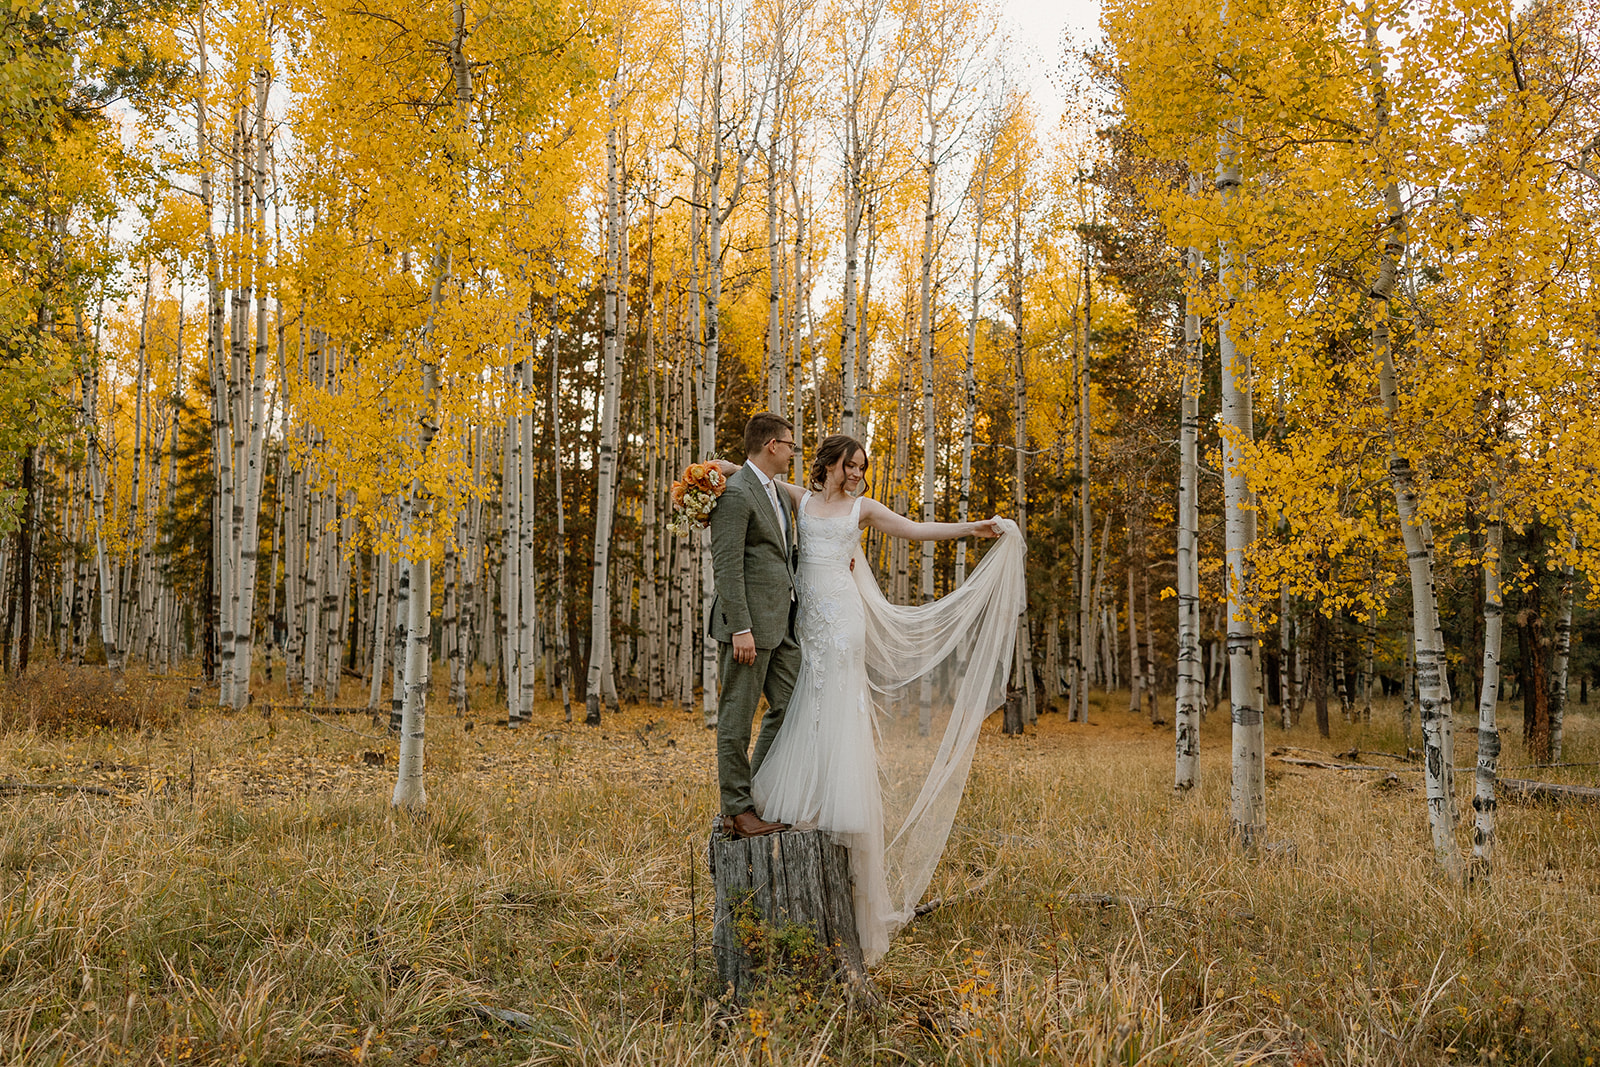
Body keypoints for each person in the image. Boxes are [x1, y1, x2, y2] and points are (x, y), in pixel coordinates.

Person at [738, 434, 1027, 964]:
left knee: (834, 699)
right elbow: (761, 479)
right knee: (808, 698)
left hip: (844, 619)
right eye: (850, 466)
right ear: (830, 465)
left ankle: (828, 803)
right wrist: (717, 466)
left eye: (861, 468)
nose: (856, 475)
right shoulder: (802, 499)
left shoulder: (863, 509)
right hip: (808, 618)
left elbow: (914, 531)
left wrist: (975, 528)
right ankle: (809, 796)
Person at [706, 412, 802, 839]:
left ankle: (756, 790)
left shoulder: (776, 494)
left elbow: (779, 556)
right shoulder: (736, 493)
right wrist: (740, 627)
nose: (793, 451)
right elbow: (726, 566)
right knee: (737, 717)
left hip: (782, 626)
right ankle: (737, 811)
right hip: (747, 628)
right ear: (771, 445)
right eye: (790, 444)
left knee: (793, 706)